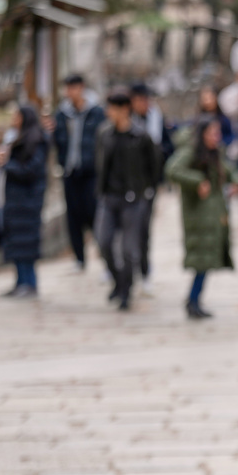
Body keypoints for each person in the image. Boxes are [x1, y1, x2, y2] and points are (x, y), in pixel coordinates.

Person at [166, 118, 238, 319]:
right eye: (212, 133)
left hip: (214, 214)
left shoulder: (215, 154)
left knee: (206, 261)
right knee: (201, 262)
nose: (216, 137)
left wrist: (237, 181)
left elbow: (231, 171)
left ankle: (194, 300)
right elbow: (172, 170)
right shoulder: (190, 152)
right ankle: (193, 301)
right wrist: (197, 182)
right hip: (197, 216)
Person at [95, 92, 160, 312]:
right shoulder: (104, 134)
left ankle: (126, 290)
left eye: (112, 108)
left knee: (128, 249)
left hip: (134, 199)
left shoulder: (141, 137)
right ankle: (118, 281)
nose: (108, 113)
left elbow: (154, 168)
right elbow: (100, 164)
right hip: (109, 197)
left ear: (124, 109)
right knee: (103, 242)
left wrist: (148, 194)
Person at [0, 106, 48, 298]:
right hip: (11, 200)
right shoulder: (13, 137)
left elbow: (31, 170)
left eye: (16, 115)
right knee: (14, 242)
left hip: (26, 201)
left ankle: (30, 284)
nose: (13, 118)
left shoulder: (36, 139)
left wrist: (7, 165)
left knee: (26, 243)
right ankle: (21, 281)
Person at [53, 74, 105, 271]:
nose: (70, 93)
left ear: (81, 88)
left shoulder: (96, 112)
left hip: (91, 171)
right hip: (70, 170)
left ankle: (103, 253)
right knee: (73, 217)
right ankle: (79, 258)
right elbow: (57, 140)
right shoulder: (62, 114)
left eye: (73, 88)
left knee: (93, 213)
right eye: (67, 88)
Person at [130, 82, 175, 294]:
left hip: (147, 184)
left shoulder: (157, 119)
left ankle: (144, 270)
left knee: (142, 230)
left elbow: (168, 146)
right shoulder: (124, 122)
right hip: (124, 185)